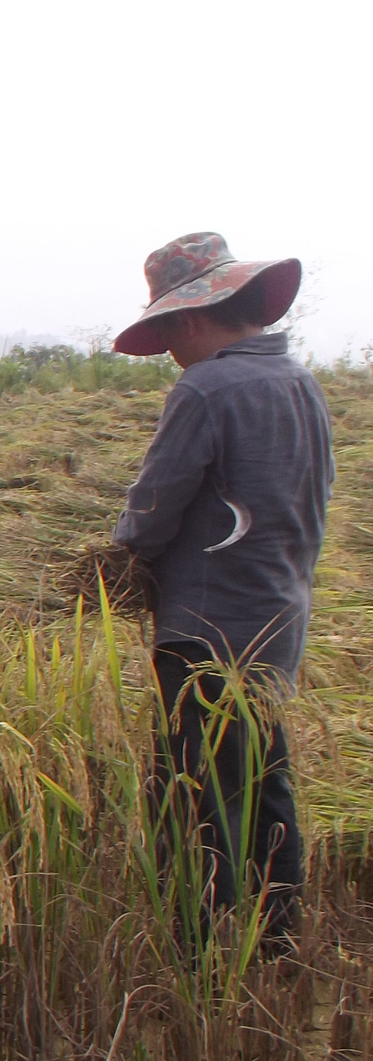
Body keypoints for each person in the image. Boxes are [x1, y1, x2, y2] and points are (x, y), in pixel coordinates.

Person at [111, 232, 335, 951]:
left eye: (170, 332)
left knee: (193, 795)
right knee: (265, 784)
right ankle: (277, 944)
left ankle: (199, 961)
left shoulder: (207, 387)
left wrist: (120, 563)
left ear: (192, 319)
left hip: (205, 630)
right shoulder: (299, 383)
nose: (171, 352)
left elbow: (155, 505)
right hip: (277, 617)